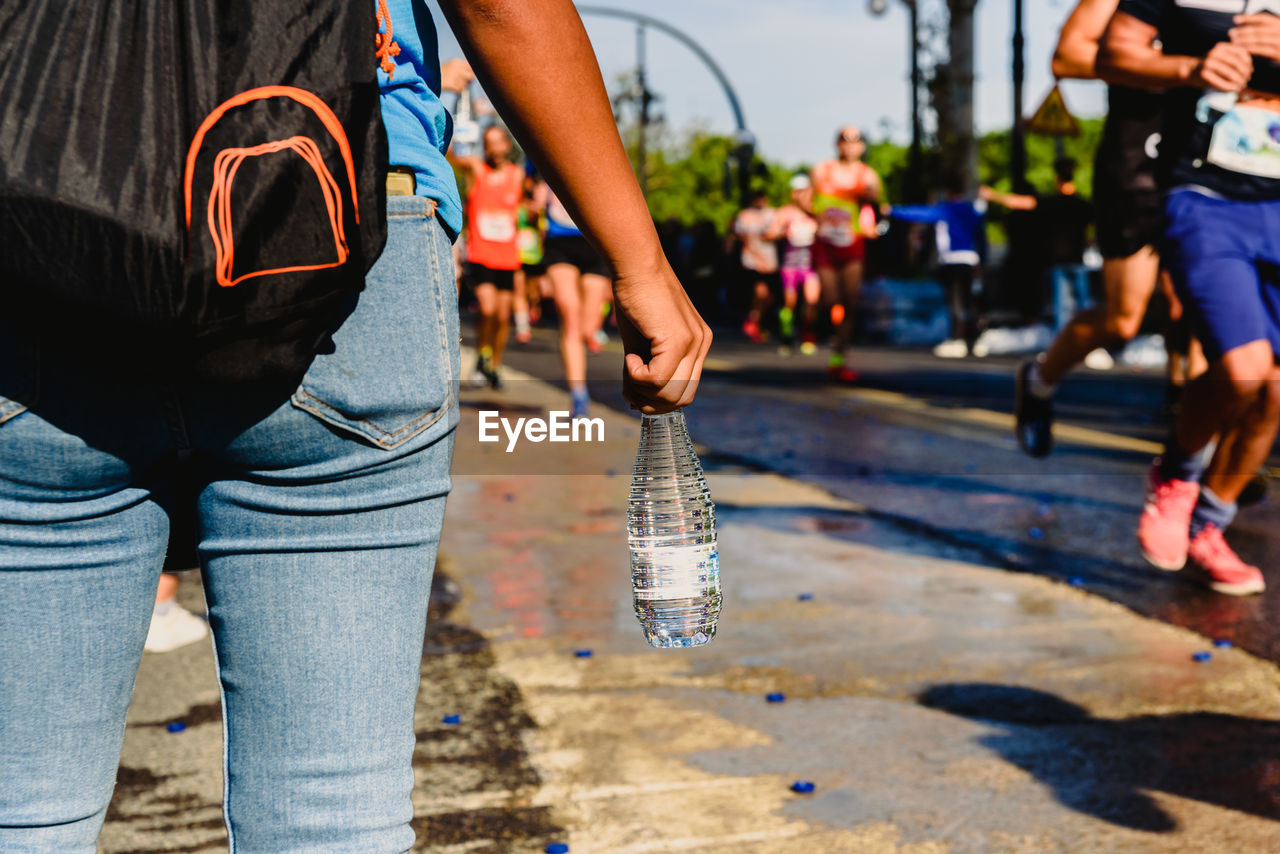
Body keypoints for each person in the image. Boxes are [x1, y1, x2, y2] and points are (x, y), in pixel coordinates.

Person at [0, 2, 711, 850]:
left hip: (44, 223)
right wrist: (640, 262)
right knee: (329, 817)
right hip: (339, 221)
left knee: (21, 811)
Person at [1098, 0, 1280, 595]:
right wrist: (1191, 68)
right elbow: (1109, 52)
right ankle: (1177, 475)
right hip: (1206, 197)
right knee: (1245, 369)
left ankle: (1211, 524)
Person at [990, 0, 1167, 456]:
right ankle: (1040, 380)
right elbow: (1067, 57)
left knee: (1204, 308)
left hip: (1214, 162)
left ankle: (1200, 445)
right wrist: (1177, 68)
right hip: (1138, 164)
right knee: (1123, 318)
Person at [803, 125, 883, 382]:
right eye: (844, 140)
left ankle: (838, 358)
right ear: (837, 144)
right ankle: (814, 326)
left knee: (849, 301)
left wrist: (869, 208)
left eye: (855, 140)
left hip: (851, 244)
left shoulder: (867, 175)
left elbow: (875, 206)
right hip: (825, 244)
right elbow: (803, 197)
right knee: (828, 298)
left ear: (861, 146)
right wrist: (816, 214)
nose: (850, 145)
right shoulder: (822, 170)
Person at [533, 178, 615, 417]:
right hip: (559, 243)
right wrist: (536, 201)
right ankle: (578, 394)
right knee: (570, 316)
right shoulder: (537, 157)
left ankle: (588, 340)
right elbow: (529, 198)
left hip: (595, 240)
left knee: (588, 329)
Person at [453, 124, 524, 389]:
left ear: (506, 145)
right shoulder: (476, 169)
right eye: (489, 142)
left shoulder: (517, 176)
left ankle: (494, 363)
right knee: (488, 307)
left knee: (504, 316)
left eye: (498, 142)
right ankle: (483, 353)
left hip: (507, 256)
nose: (494, 147)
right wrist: (466, 125)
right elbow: (452, 156)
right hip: (481, 254)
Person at [888, 175, 989, 358]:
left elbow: (919, 213)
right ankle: (975, 341)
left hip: (951, 260)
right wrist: (983, 261)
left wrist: (892, 210)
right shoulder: (972, 211)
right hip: (971, 260)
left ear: (947, 192)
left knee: (954, 301)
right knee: (970, 301)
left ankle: (956, 339)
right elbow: (981, 238)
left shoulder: (945, 210)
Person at [774, 175, 822, 355]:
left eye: (804, 191)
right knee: (790, 303)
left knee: (812, 301)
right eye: (797, 191)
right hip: (790, 265)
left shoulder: (816, 212)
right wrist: (783, 233)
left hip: (810, 265)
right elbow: (770, 233)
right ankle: (786, 336)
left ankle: (808, 336)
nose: (800, 195)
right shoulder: (785, 212)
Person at [732, 190, 782, 345]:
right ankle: (754, 322)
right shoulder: (745, 215)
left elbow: (779, 234)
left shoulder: (773, 214)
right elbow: (739, 234)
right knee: (760, 292)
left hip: (769, 261)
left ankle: (755, 319)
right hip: (752, 261)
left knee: (769, 297)